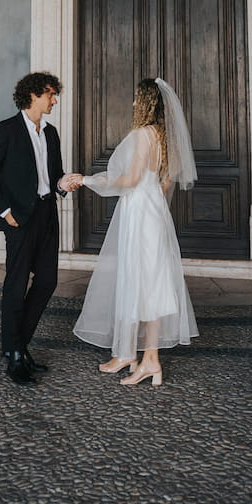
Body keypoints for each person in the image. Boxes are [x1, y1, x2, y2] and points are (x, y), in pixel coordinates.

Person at [72, 78, 199, 386]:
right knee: (150, 284)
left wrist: (86, 180)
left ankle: (146, 359)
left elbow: (128, 181)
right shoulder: (164, 137)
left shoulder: (142, 135)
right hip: (154, 211)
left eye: (135, 99)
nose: (131, 104)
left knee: (137, 281)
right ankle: (137, 356)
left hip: (139, 212)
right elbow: (165, 184)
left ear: (145, 102)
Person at [0, 72, 80, 386]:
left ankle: (17, 346)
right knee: (16, 284)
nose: (55, 100)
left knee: (47, 281)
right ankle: (15, 354)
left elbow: (54, 176)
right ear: (33, 94)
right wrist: (5, 213)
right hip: (18, 219)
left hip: (47, 213)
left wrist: (65, 182)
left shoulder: (51, 133)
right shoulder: (6, 131)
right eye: (51, 94)